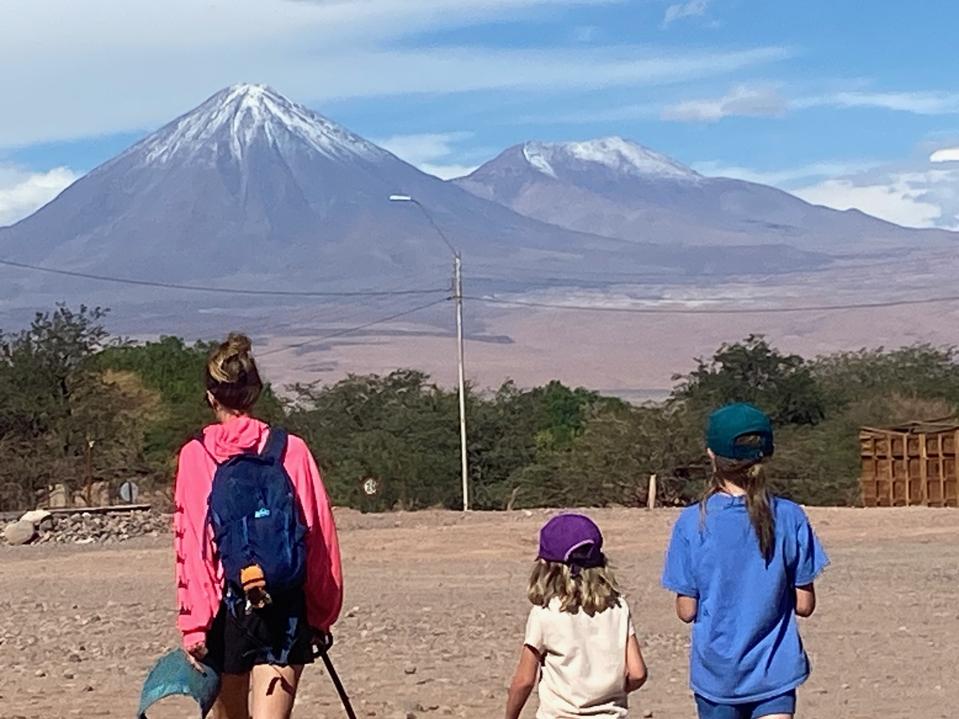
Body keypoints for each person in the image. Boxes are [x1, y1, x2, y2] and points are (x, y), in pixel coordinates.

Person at [173, 333, 343, 719]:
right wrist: (320, 613)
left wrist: (195, 627)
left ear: (210, 395)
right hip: (283, 605)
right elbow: (318, 537)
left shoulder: (196, 455)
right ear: (255, 391)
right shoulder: (290, 449)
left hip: (225, 611)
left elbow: (194, 548)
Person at [662, 403, 829, 719]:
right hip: (774, 672)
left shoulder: (691, 522)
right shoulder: (790, 516)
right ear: (766, 454)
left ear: (711, 455)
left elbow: (687, 611)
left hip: (717, 677)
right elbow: (805, 604)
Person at [506, 513, 648, 719]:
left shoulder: (545, 613)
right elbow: (638, 673)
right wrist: (609, 694)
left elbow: (524, 680)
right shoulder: (618, 607)